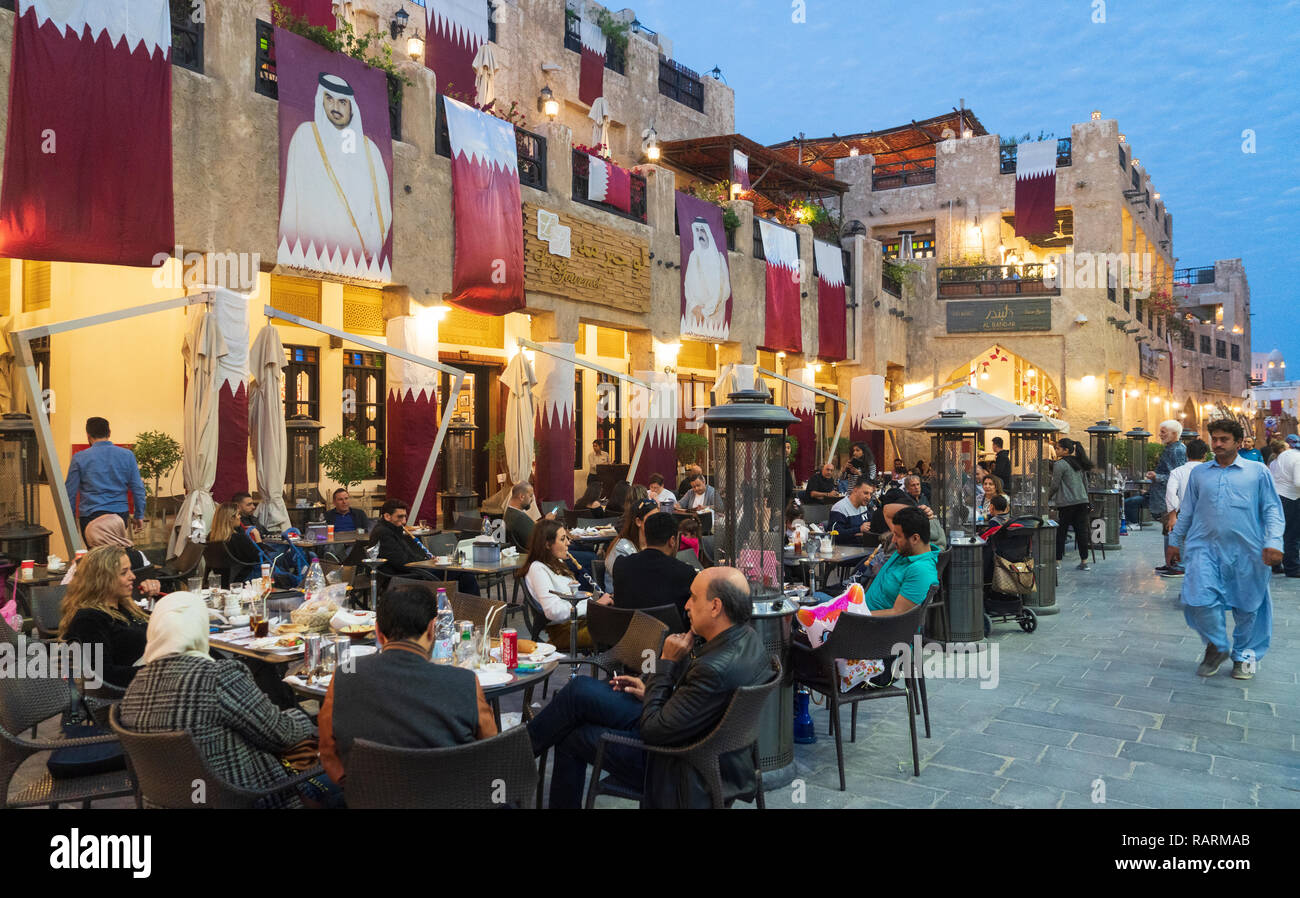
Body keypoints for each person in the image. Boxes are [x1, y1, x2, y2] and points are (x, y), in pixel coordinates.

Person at [526, 567, 771, 808]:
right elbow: (696, 705)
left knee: (572, 735)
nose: (686, 605)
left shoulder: (714, 669)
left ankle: (511, 763)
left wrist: (666, 662)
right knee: (578, 691)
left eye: (694, 598)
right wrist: (653, 689)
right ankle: (514, 759)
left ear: (715, 606)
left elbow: (653, 729)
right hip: (690, 734)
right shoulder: (750, 640)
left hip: (677, 763)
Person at [120, 592, 321, 808]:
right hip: (243, 797)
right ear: (200, 629)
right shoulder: (217, 677)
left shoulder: (134, 688)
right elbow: (282, 733)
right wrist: (304, 717)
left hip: (170, 802)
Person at [318, 586, 497, 786]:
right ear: (432, 629)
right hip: (454, 798)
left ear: (378, 632)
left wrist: (354, 789)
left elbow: (328, 751)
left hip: (370, 798)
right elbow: (491, 751)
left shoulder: (344, 676)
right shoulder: (465, 682)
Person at [1168, 419, 1283, 680]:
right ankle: (1217, 645)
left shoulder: (1257, 472)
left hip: (1248, 551)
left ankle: (1243, 655)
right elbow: (1188, 510)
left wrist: (1274, 542)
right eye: (1214, 439)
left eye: (1224, 439)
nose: (1217, 444)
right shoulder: (1200, 473)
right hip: (1204, 548)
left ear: (1238, 442)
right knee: (1199, 599)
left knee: (1247, 606)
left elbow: (1272, 509)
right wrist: (1175, 540)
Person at [278, 72, 392, 276]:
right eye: (329, 99)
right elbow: (292, 199)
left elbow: (382, 208)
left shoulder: (369, 150)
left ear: (351, 107)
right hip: (308, 256)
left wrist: (370, 246)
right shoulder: (305, 136)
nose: (335, 107)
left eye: (342, 102)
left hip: (357, 259)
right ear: (321, 99)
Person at [59, 546, 151, 689]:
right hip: (123, 696)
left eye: (130, 570)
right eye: (124, 572)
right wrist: (155, 673)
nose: (132, 576)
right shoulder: (88, 619)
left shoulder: (125, 606)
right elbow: (102, 674)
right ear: (102, 579)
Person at [522, 521, 612, 649]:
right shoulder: (538, 569)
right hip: (565, 631)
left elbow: (568, 600)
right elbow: (553, 612)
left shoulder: (556, 563)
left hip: (580, 622)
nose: (568, 543)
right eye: (563, 539)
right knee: (620, 631)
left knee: (624, 621)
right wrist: (595, 607)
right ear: (547, 544)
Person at [371, 499, 479, 595]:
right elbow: (401, 562)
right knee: (463, 574)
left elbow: (408, 555)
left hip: (411, 571)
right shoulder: (383, 533)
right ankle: (471, 610)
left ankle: (464, 607)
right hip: (403, 576)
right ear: (387, 516)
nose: (404, 521)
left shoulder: (393, 529)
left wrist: (427, 560)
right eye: (400, 517)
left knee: (463, 574)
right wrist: (427, 563)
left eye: (405, 516)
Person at [64, 417, 147, 538]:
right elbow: (138, 488)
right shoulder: (127, 455)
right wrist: (139, 515)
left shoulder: (79, 457)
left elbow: (69, 493)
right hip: (119, 516)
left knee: (95, 554)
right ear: (109, 433)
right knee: (116, 553)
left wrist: (71, 522)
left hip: (90, 516)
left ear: (88, 435)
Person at [612, 511, 697, 617]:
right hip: (670, 632)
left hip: (627, 631)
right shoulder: (685, 572)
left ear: (646, 538)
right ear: (672, 540)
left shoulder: (621, 564)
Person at [860, 506, 940, 615]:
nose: (893, 540)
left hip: (871, 626)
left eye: (897, 536)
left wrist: (853, 616)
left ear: (915, 538)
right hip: (859, 612)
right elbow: (887, 510)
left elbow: (899, 615)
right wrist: (919, 510)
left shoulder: (921, 570)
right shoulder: (907, 551)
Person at [73, 514, 163, 598]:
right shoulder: (139, 555)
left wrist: (77, 567)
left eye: (93, 545)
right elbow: (150, 579)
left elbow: (69, 590)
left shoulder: (92, 562)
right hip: (142, 602)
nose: (132, 576)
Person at [1161, 438, 1209, 577]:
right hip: (1206, 511)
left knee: (1177, 535)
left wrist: (1173, 515)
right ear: (1205, 455)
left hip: (1183, 511)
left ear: (1187, 454)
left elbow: (1170, 493)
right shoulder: (1209, 470)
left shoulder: (1178, 471)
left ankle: (1179, 564)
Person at [1127, 420, 1185, 531]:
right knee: (1169, 536)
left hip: (1169, 502)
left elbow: (1178, 478)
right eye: (1160, 432)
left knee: (1171, 536)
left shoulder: (1177, 450)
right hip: (1164, 500)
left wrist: (1156, 476)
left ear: (1174, 433)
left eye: (1163, 432)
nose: (1160, 435)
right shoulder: (1171, 448)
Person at [681, 216, 731, 338]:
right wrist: (695, 307)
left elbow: (725, 290)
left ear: (707, 232)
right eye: (697, 231)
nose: (700, 234)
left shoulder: (719, 258)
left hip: (714, 314)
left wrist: (707, 310)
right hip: (695, 312)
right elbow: (688, 284)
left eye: (702, 230)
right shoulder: (694, 256)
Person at [1050, 438, 1093, 571]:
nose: (1056, 450)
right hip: (1082, 501)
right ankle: (1084, 561)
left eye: (1057, 448)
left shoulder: (1060, 464)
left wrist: (1046, 497)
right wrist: (1087, 500)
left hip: (1067, 503)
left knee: (1061, 532)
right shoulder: (1078, 463)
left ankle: (1057, 561)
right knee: (1081, 532)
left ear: (1066, 450)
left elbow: (1055, 485)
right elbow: (1085, 484)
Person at [603, 499, 657, 593]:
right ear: (638, 522)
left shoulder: (654, 545)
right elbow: (630, 582)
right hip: (619, 601)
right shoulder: (621, 548)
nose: (658, 523)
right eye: (652, 519)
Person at [209, 500, 263, 584]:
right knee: (280, 559)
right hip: (243, 579)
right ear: (231, 518)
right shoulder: (238, 538)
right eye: (238, 514)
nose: (240, 517)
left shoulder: (210, 537)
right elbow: (260, 557)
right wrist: (257, 535)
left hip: (221, 581)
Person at [1269, 435, 1300, 578]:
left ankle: (1275, 564)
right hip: (1291, 498)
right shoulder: (1297, 458)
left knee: (1278, 531)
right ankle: (1292, 568)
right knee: (1292, 535)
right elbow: (1298, 482)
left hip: (1277, 497)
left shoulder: (1279, 458)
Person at [504, 482, 555, 552]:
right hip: (539, 556)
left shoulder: (510, 512)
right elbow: (538, 541)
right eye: (530, 496)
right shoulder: (519, 518)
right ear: (522, 497)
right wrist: (547, 522)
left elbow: (532, 527)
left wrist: (545, 520)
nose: (532, 500)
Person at [828, 477, 876, 544]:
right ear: (855, 490)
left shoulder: (864, 505)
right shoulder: (840, 508)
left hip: (863, 546)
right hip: (846, 549)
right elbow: (834, 534)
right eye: (865, 493)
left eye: (870, 494)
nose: (869, 497)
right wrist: (859, 529)